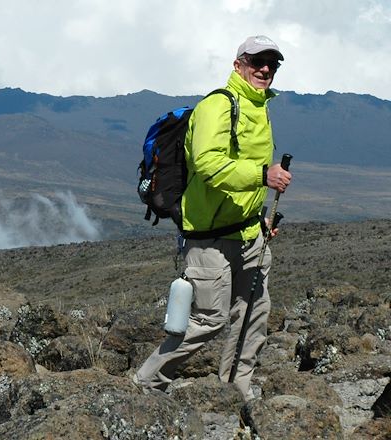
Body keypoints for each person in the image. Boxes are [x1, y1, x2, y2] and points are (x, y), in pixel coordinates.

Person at [133, 35, 293, 399]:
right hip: (208, 239)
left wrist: (258, 218)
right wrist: (261, 175)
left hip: (250, 234)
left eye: (273, 63)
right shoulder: (217, 106)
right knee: (208, 321)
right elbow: (207, 163)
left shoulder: (260, 108)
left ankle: (235, 392)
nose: (265, 69)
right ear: (239, 65)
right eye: (257, 61)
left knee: (253, 317)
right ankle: (145, 385)